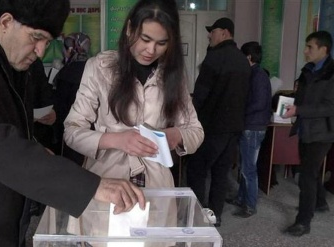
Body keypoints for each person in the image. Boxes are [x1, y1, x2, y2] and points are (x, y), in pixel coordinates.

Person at [0, 1, 145, 246]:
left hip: (2, 214)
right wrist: (93, 187)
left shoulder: (8, 63)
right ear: (5, 22)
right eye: (36, 37)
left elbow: (10, 129)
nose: (41, 51)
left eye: (48, 41)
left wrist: (35, 147)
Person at [63, 0, 204, 235]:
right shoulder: (100, 67)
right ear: (130, 29)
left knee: (151, 239)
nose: (151, 50)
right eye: (145, 39)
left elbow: (196, 130)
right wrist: (117, 140)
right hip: (107, 178)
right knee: (105, 238)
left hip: (156, 183)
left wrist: (174, 135)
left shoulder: (173, 76)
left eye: (161, 43)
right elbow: (72, 130)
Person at [185, 17, 250, 227]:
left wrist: (188, 121)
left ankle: (195, 215)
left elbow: (201, 95)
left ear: (223, 32)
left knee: (196, 170)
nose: (209, 36)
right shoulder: (242, 60)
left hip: (210, 128)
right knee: (220, 174)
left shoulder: (214, 58)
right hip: (233, 129)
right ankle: (215, 215)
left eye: (212, 32)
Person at [282, 30, 334, 237]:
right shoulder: (308, 70)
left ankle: (303, 222)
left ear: (324, 49)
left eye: (310, 47)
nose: (305, 51)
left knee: (306, 176)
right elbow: (301, 97)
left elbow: (330, 107)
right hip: (305, 129)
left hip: (322, 133)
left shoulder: (331, 73)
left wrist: (299, 110)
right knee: (309, 172)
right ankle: (319, 202)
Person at [227, 41, 272, 218]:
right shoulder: (252, 74)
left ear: (248, 57)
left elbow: (259, 103)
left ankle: (250, 205)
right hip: (249, 126)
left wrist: (240, 111)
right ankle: (241, 198)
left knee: (248, 169)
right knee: (244, 167)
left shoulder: (258, 76)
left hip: (253, 128)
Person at [54, 32, 91, 165]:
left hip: (71, 133)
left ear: (69, 50)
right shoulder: (93, 68)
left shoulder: (66, 73)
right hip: (92, 135)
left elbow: (59, 108)